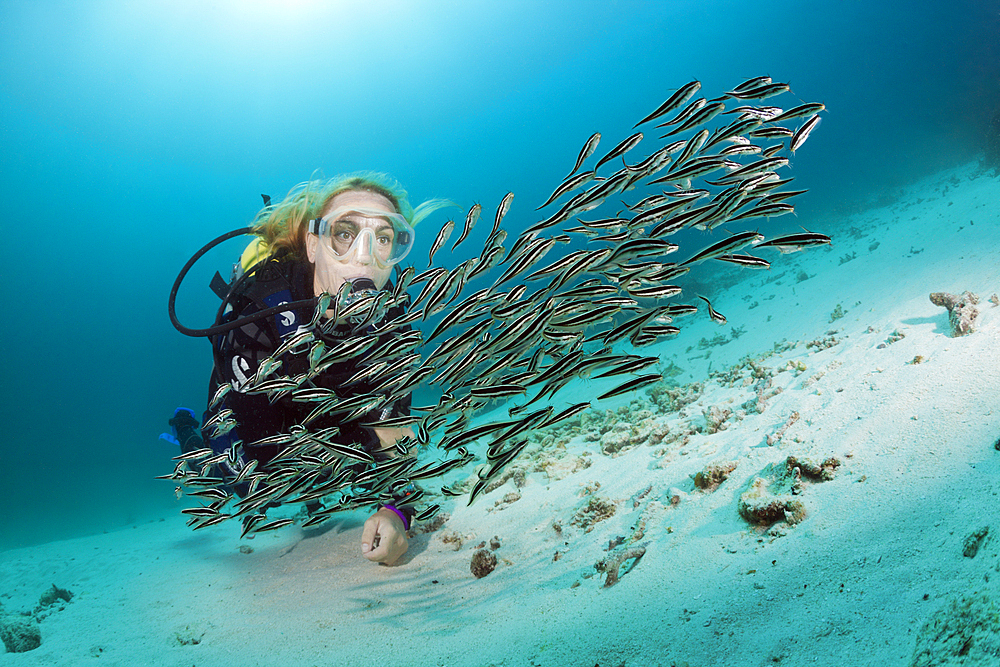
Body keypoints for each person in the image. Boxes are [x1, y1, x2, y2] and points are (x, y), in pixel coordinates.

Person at [170, 173, 449, 566]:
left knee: (361, 454)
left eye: (384, 238)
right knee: (242, 484)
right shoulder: (261, 307)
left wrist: (398, 510)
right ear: (314, 245)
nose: (365, 254)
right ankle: (185, 432)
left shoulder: (390, 321)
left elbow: (393, 423)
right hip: (254, 414)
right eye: (345, 233)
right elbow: (250, 428)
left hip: (332, 414)